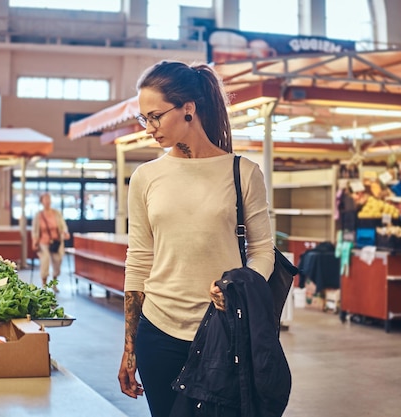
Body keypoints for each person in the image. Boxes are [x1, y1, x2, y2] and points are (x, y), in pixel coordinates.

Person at [117, 60, 275, 417]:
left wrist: (240, 284)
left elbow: (264, 250)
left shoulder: (243, 173)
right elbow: (139, 258)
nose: (148, 128)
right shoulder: (146, 177)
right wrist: (130, 347)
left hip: (224, 333)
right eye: (144, 119)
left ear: (188, 107)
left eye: (155, 116)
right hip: (159, 333)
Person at [31, 193, 70, 292]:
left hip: (56, 242)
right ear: (42, 201)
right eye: (45, 199)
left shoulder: (56, 213)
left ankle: (54, 283)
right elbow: (35, 229)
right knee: (45, 262)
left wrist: (65, 232)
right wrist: (35, 241)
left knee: (57, 262)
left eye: (48, 199)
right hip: (43, 242)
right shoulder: (38, 215)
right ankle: (44, 286)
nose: (47, 201)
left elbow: (62, 225)